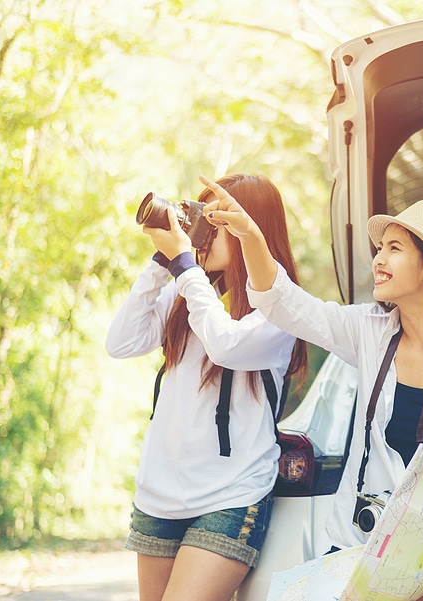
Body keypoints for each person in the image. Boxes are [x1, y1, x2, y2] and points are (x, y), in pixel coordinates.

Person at [198, 173, 423, 601]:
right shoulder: (367, 330)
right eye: (379, 249)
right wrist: (249, 235)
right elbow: (285, 302)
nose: (378, 260)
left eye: (394, 249)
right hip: (359, 542)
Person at [105, 174, 308, 601]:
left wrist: (185, 266)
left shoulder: (279, 303)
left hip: (229, 497)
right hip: (159, 494)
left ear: (251, 228)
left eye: (216, 221)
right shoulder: (192, 295)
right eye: (202, 219)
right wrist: (163, 262)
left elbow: (225, 345)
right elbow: (120, 342)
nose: (205, 232)